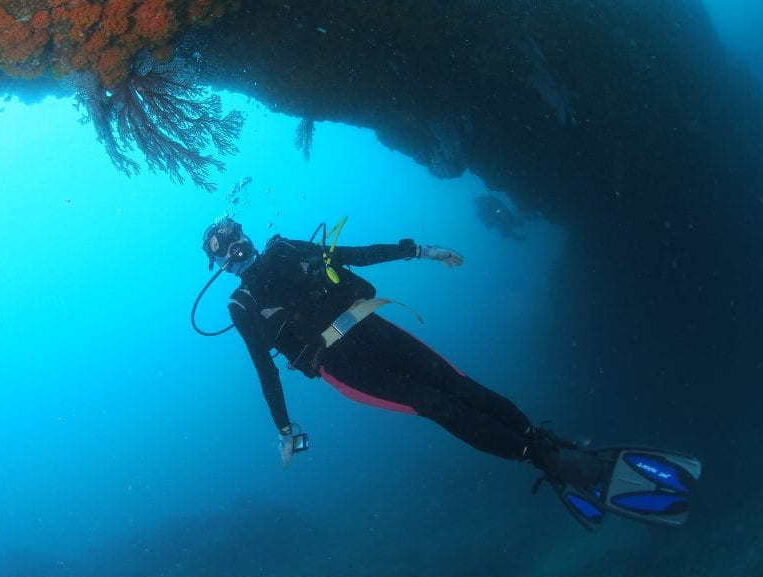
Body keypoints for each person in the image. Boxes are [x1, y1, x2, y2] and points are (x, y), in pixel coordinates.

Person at [195, 217, 701, 529]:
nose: (238, 249)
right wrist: (285, 428)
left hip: (370, 326)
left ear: (247, 235)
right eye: (227, 250)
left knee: (455, 386)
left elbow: (354, 254)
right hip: (340, 362)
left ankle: (541, 441)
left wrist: (420, 250)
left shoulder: (288, 249)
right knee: (434, 403)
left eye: (237, 238)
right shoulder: (241, 303)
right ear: (219, 265)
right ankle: (540, 457)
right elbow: (265, 370)